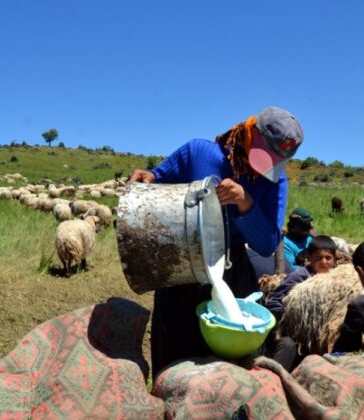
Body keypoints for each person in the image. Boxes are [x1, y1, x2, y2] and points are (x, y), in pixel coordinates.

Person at [129, 107, 303, 377]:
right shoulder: (198, 153)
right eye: (266, 156)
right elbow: (159, 180)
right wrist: (148, 177)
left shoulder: (275, 181)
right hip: (182, 272)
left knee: (228, 367)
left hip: (231, 275)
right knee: (176, 355)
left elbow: (267, 243)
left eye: (276, 161)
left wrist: (246, 202)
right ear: (250, 132)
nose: (268, 167)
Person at [269, 235, 337, 370]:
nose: (324, 262)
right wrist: (293, 316)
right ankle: (273, 378)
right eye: (318, 257)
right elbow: (273, 301)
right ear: (309, 258)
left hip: (316, 331)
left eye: (328, 258)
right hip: (292, 330)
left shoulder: (334, 279)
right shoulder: (300, 276)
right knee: (289, 345)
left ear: (334, 259)